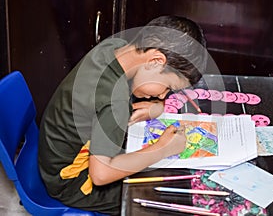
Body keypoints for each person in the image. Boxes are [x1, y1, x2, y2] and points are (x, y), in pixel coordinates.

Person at [38, 15, 208, 215]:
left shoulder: (115, 47)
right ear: (155, 60)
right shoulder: (114, 101)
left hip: (54, 156)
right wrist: (162, 149)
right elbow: (100, 175)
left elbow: (116, 100)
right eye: (168, 87)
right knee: (168, 200)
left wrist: (155, 107)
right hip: (71, 183)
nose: (163, 96)